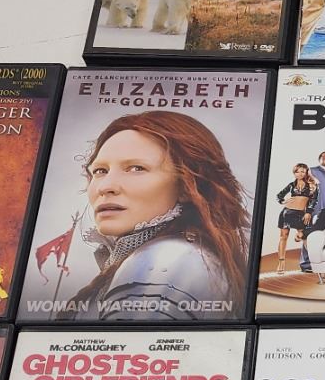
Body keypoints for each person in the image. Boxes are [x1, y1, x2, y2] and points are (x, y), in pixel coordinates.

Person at [63, 111, 251, 321]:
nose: (105, 187)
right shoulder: (185, 254)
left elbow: (137, 343)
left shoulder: (165, 260)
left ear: (186, 186)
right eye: (100, 171)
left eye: (136, 168)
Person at [272, 163, 316, 275]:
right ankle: (281, 263)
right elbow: (279, 195)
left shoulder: (311, 185)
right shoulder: (291, 185)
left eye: (303, 171)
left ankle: (314, 261)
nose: (300, 174)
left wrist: (308, 212)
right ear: (294, 173)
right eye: (297, 171)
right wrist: (283, 201)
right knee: (283, 237)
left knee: (305, 237)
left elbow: (314, 200)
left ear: (306, 172)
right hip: (286, 213)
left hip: (301, 214)